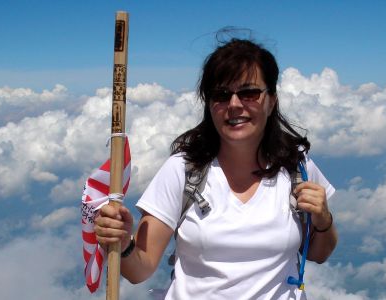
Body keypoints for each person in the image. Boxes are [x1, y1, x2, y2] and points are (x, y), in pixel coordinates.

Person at [94, 38, 338, 299]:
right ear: (209, 104)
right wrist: (123, 244)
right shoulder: (183, 170)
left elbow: (318, 253)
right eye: (221, 95)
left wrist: (323, 220)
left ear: (271, 101)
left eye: (249, 93)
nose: (234, 104)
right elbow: (139, 269)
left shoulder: (297, 167)